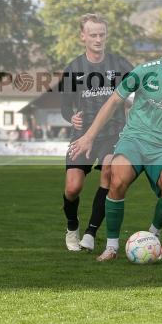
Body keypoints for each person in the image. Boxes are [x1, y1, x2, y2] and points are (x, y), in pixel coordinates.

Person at [68, 22, 162, 262]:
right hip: (134, 140)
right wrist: (89, 135)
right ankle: (111, 246)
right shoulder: (145, 71)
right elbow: (112, 102)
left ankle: (153, 236)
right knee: (116, 178)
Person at [59, 13, 134, 252]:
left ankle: (91, 233)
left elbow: (139, 90)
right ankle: (72, 227)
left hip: (113, 134)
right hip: (82, 136)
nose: (98, 39)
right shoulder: (73, 68)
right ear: (83, 37)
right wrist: (70, 117)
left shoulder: (120, 65)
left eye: (102, 34)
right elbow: (63, 105)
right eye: (93, 35)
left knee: (110, 172)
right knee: (72, 188)